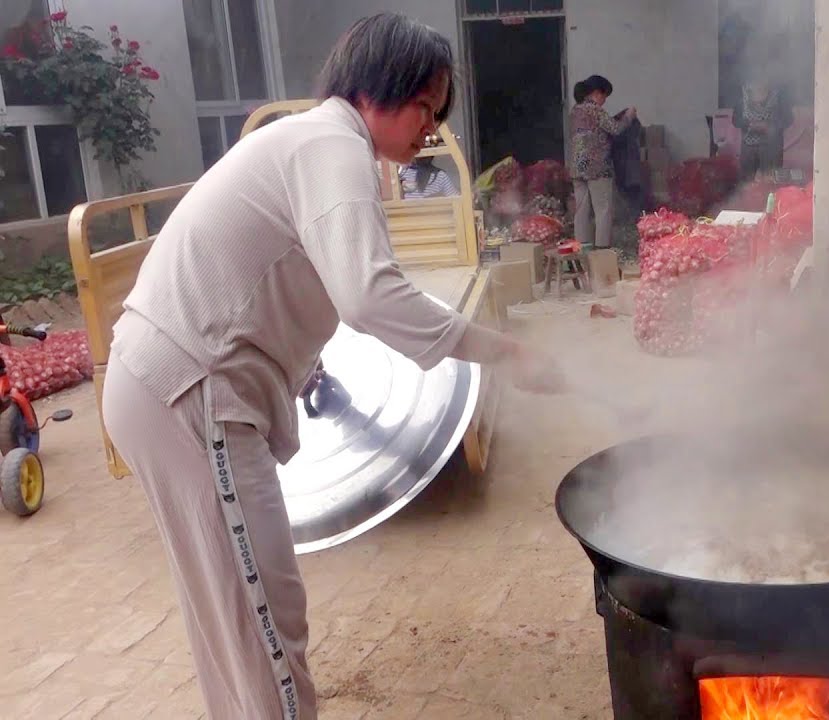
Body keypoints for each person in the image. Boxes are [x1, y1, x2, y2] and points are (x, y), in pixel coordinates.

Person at [99, 14, 564, 720]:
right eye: (427, 106)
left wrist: (302, 364)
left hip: (172, 385)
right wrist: (505, 351)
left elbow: (297, 277)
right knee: (266, 623)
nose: (431, 129)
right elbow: (370, 294)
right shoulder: (332, 145)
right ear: (382, 86)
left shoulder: (317, 142)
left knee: (236, 617)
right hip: (193, 393)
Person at [569, 74, 635, 249]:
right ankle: (602, 252)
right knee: (603, 209)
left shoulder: (575, 111)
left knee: (581, 211)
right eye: (604, 96)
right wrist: (628, 116)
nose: (604, 101)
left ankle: (581, 250)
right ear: (597, 93)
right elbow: (616, 129)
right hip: (597, 167)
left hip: (578, 168)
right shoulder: (595, 110)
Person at [733, 74, 793, 181]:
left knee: (770, 183)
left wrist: (769, 126)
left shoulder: (779, 95)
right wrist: (750, 124)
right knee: (746, 184)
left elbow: (788, 119)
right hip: (749, 149)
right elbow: (736, 120)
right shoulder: (743, 94)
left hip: (772, 149)